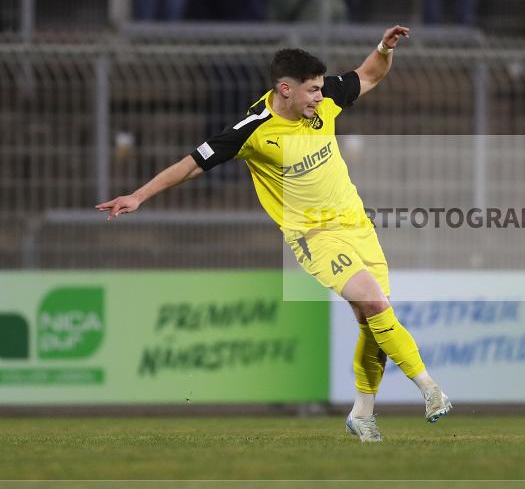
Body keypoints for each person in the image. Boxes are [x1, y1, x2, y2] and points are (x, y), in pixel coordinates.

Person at [96, 26, 452, 443]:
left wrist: (383, 49)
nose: (321, 97)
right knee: (374, 303)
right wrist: (139, 195)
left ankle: (362, 413)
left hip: (356, 225)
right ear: (286, 89)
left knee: (372, 318)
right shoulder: (252, 129)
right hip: (314, 237)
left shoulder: (326, 99)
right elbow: (193, 163)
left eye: (322, 89)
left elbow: (369, 75)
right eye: (313, 91)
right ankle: (430, 389)